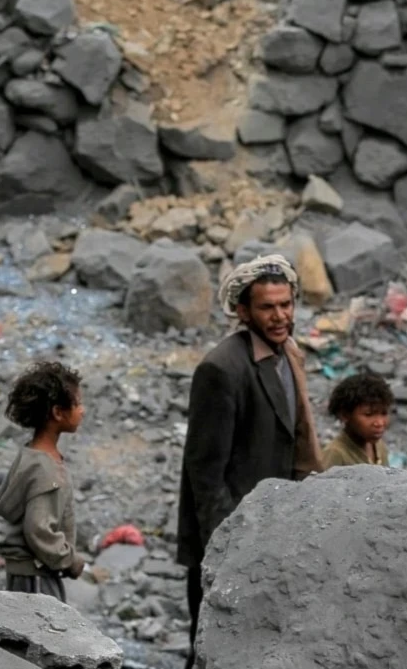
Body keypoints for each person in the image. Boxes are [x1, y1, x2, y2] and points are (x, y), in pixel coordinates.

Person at [177, 254, 324, 669]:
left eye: (286, 304)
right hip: (233, 535)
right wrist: (227, 547)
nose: (280, 316)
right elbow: (205, 472)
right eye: (267, 307)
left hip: (275, 527)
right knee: (213, 648)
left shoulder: (288, 354)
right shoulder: (221, 369)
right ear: (243, 311)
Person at [0, 361, 87, 602]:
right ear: (57, 412)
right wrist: (69, 560)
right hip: (36, 576)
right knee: (43, 637)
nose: (82, 410)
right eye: (77, 404)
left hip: (27, 574)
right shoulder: (46, 470)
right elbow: (38, 529)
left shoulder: (30, 455)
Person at [321, 372, 394, 469]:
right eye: (368, 414)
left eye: (384, 413)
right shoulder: (336, 454)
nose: (379, 423)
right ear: (345, 415)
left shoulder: (379, 446)